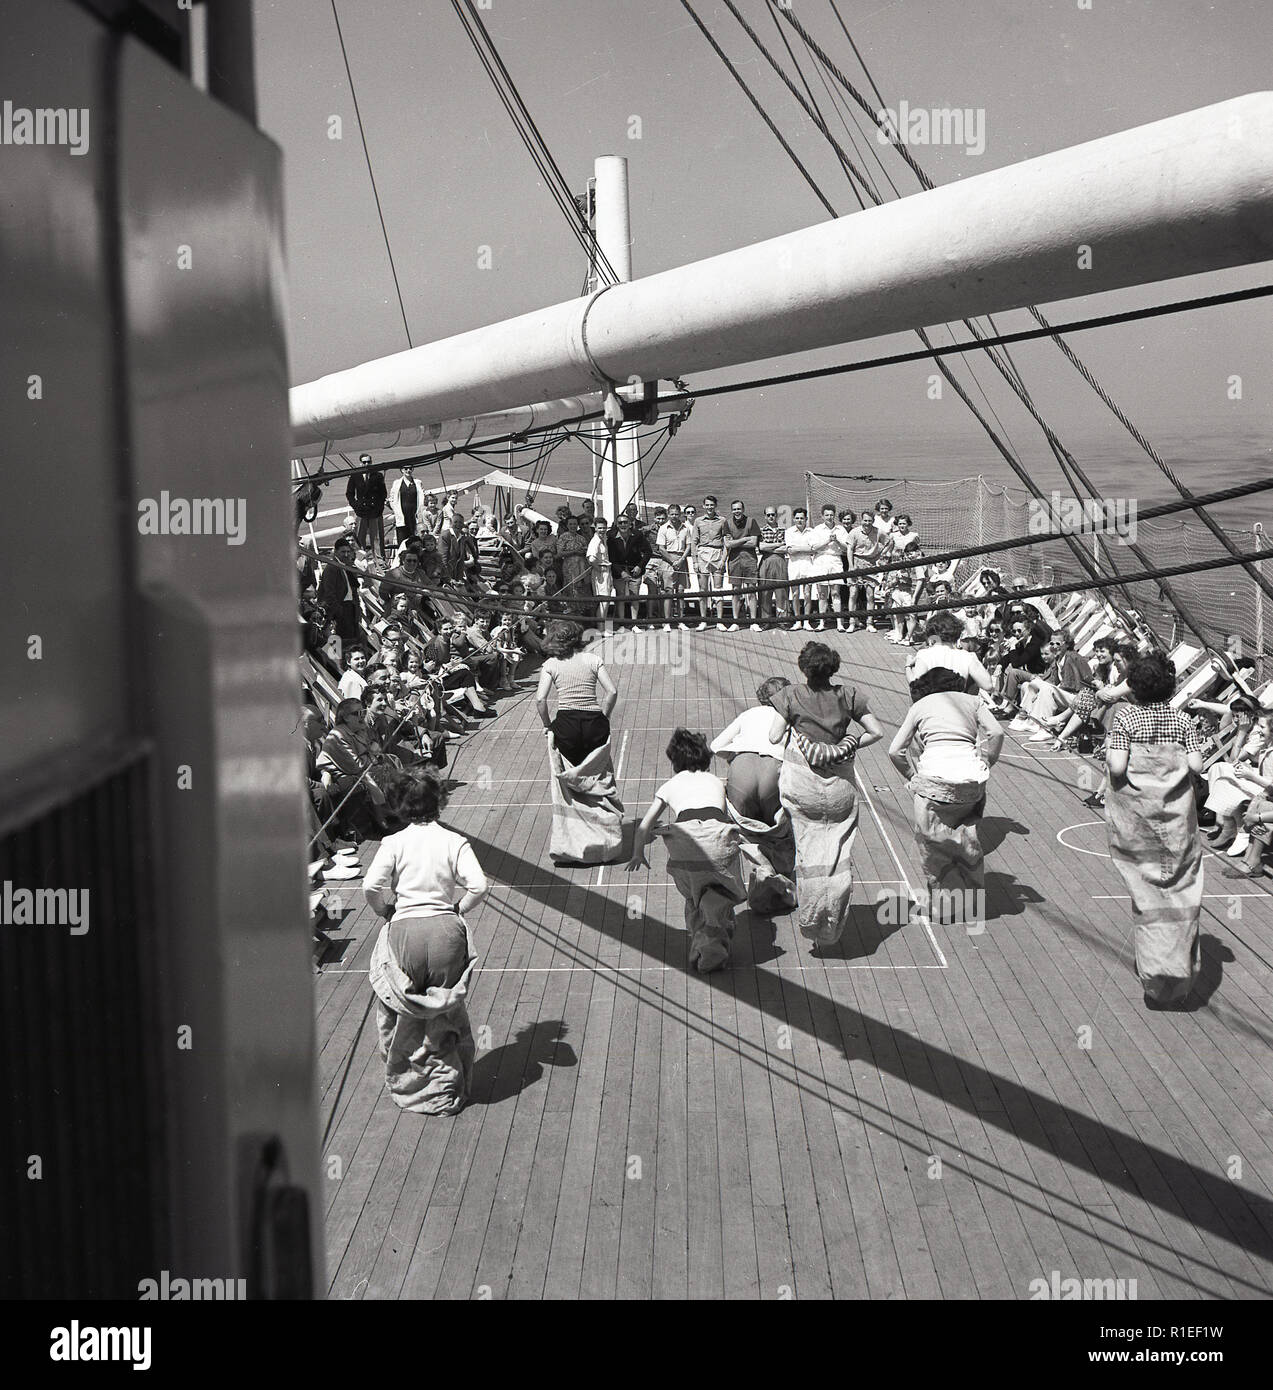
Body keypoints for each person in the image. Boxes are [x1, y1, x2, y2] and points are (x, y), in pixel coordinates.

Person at [363, 771, 485, 1114]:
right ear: (439, 802)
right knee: (445, 1011)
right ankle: (448, 1085)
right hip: (446, 931)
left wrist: (384, 910)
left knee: (403, 1012)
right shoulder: (454, 842)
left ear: (401, 803)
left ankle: (411, 1081)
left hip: (404, 932)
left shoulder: (394, 843)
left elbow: (371, 886)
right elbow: (478, 885)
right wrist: (458, 909)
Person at [1104, 652, 1205, 1008]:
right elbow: (1196, 763)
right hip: (1176, 823)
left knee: (1147, 895)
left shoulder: (1127, 718)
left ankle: (1156, 977)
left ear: (1132, 687)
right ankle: (1177, 976)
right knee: (1181, 893)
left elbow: (1117, 768)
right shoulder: (1181, 719)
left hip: (1138, 822)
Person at [768, 642, 884, 946]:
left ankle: (811, 920)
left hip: (803, 788)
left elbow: (774, 736)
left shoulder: (790, 695)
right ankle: (831, 923)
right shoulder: (848, 695)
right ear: (833, 668)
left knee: (809, 857)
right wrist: (847, 744)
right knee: (837, 855)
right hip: (841, 790)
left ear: (803, 668)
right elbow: (876, 732)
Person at [888, 666, 1003, 926]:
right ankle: (972, 900)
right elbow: (996, 732)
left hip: (935, 782)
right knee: (967, 834)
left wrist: (912, 777)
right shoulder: (973, 701)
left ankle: (943, 907)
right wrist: (987, 762)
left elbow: (895, 751)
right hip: (971, 781)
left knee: (933, 844)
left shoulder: (921, 705)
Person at [627, 729, 747, 973]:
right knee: (721, 889)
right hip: (718, 839)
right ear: (705, 758)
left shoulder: (671, 785)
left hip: (686, 846)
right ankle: (715, 932)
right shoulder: (715, 781)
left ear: (674, 760)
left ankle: (701, 941)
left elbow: (643, 827)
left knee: (693, 895)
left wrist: (638, 853)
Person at [712, 677, 798, 914]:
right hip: (775, 771)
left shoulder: (749, 714)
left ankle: (764, 877)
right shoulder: (791, 718)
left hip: (741, 769)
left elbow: (715, 745)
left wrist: (735, 756)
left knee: (749, 836)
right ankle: (780, 884)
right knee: (780, 835)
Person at [536, 620, 618, 765]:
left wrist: (547, 725)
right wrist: (605, 716)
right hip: (594, 723)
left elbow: (540, 699)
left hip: (566, 726)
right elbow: (612, 691)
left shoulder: (550, 664)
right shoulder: (593, 659)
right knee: (598, 774)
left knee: (570, 775)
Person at [907, 610, 992, 694]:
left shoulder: (924, 654)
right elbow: (988, 685)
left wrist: (907, 667)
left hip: (933, 703)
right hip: (957, 703)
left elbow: (915, 686)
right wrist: (974, 660)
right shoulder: (966, 656)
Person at [316, 533, 367, 652]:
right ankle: (339, 666)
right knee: (338, 645)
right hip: (339, 611)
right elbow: (329, 594)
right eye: (343, 552)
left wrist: (356, 608)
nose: (346, 555)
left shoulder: (347, 567)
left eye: (348, 552)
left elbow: (353, 589)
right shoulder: (331, 568)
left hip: (350, 609)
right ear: (336, 552)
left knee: (354, 641)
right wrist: (338, 612)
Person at [808, 503, 849, 632]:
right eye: (827, 515)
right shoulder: (817, 529)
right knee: (822, 594)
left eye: (831, 515)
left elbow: (847, 548)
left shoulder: (840, 529)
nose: (829, 517)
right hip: (821, 561)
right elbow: (814, 547)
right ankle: (821, 622)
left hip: (835, 561)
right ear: (822, 516)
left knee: (836, 593)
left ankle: (839, 623)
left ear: (834, 516)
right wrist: (828, 540)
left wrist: (836, 541)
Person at [723, 498, 763, 630]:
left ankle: (753, 622)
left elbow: (754, 543)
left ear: (743, 509)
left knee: (751, 591)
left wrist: (736, 542)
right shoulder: (727, 523)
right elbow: (728, 544)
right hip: (734, 561)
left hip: (750, 560)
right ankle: (735, 621)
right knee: (736, 591)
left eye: (739, 509)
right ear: (731, 510)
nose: (736, 511)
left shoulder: (752, 521)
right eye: (734, 509)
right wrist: (746, 538)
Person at [691, 495, 728, 630]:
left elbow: (726, 542)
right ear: (703, 506)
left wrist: (723, 560)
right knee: (703, 589)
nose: (709, 507)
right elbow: (694, 541)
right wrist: (695, 561)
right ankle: (703, 620)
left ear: (715, 506)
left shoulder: (723, 521)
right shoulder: (698, 521)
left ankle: (719, 621)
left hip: (717, 554)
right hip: (702, 555)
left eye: (712, 505)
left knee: (718, 589)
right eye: (707, 505)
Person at [654, 503, 693, 629]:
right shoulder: (663, 528)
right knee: (668, 591)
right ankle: (667, 622)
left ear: (680, 514)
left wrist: (681, 560)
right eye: (672, 514)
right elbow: (661, 548)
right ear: (668, 514)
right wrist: (672, 561)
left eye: (676, 514)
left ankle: (681, 620)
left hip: (682, 560)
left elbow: (688, 546)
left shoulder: (685, 528)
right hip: (668, 561)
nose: (674, 516)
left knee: (680, 591)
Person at [607, 515, 650, 627]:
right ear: (616, 525)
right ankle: (622, 622)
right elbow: (611, 558)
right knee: (620, 597)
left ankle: (634, 623)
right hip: (618, 571)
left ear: (630, 523)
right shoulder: (611, 537)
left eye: (625, 522)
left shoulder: (637, 535)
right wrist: (621, 572)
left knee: (634, 597)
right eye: (620, 523)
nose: (623, 525)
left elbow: (648, 551)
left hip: (635, 571)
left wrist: (640, 566)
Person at [784, 507, 818, 630]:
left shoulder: (812, 531)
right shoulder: (789, 531)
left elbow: (813, 549)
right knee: (795, 594)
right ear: (794, 519)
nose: (799, 520)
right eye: (797, 518)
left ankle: (806, 622)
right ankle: (797, 621)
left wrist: (797, 548)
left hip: (808, 565)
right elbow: (791, 551)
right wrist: (804, 548)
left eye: (802, 518)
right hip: (794, 566)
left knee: (807, 593)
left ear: (806, 519)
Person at [346, 457, 387, 558]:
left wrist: (379, 508)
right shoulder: (355, 475)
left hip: (374, 512)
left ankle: (380, 561)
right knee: (359, 538)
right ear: (360, 463)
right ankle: (360, 559)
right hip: (361, 512)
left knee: (376, 539)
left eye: (369, 462)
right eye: (364, 462)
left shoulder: (378, 475)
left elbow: (383, 494)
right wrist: (356, 506)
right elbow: (349, 493)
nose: (366, 464)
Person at [845, 511, 879, 631]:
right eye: (865, 520)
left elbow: (889, 542)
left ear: (873, 521)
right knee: (853, 594)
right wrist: (851, 565)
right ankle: (852, 622)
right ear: (861, 520)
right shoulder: (854, 532)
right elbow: (849, 549)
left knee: (870, 596)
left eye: (870, 521)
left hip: (870, 565)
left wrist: (879, 556)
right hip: (856, 564)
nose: (867, 523)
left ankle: (870, 623)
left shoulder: (877, 532)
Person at [757, 506, 789, 624]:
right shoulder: (761, 531)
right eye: (768, 515)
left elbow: (785, 548)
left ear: (777, 515)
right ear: (765, 516)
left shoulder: (784, 530)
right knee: (765, 593)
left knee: (782, 592)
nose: (771, 517)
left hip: (780, 562)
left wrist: (769, 547)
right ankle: (766, 621)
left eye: (773, 514)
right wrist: (778, 544)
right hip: (766, 562)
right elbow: (761, 547)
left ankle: (783, 620)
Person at [554, 513, 591, 612]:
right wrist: (574, 552)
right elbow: (559, 553)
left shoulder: (581, 538)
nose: (573, 526)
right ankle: (572, 610)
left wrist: (583, 552)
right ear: (567, 525)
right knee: (571, 588)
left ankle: (582, 610)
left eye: (575, 524)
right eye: (570, 524)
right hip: (569, 567)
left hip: (581, 567)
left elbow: (587, 551)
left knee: (582, 588)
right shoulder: (563, 537)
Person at [587, 515, 615, 621]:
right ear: (595, 528)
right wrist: (599, 570)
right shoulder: (595, 541)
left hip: (607, 571)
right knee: (604, 601)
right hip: (601, 572)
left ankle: (603, 627)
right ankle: (601, 628)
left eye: (604, 528)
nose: (602, 530)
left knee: (606, 601)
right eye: (599, 528)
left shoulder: (603, 538)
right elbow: (591, 559)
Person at [389, 466, 426, 545]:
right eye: (405, 469)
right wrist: (396, 510)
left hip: (414, 514)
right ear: (401, 470)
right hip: (402, 515)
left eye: (410, 468)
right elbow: (392, 498)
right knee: (402, 541)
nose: (408, 470)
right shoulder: (397, 483)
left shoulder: (418, 482)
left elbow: (422, 497)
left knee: (415, 539)